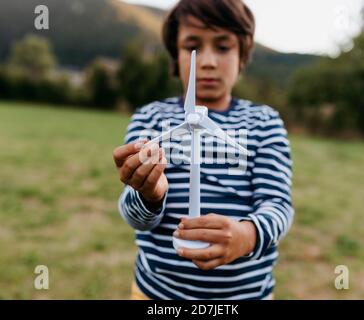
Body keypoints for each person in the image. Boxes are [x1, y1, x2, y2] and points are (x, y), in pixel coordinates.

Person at [113, 0, 294, 300]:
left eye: (223, 47)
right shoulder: (151, 119)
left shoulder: (264, 122)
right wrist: (149, 194)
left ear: (242, 54)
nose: (208, 62)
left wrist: (247, 236)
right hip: (158, 295)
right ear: (175, 54)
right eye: (192, 47)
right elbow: (135, 217)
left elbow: (277, 204)